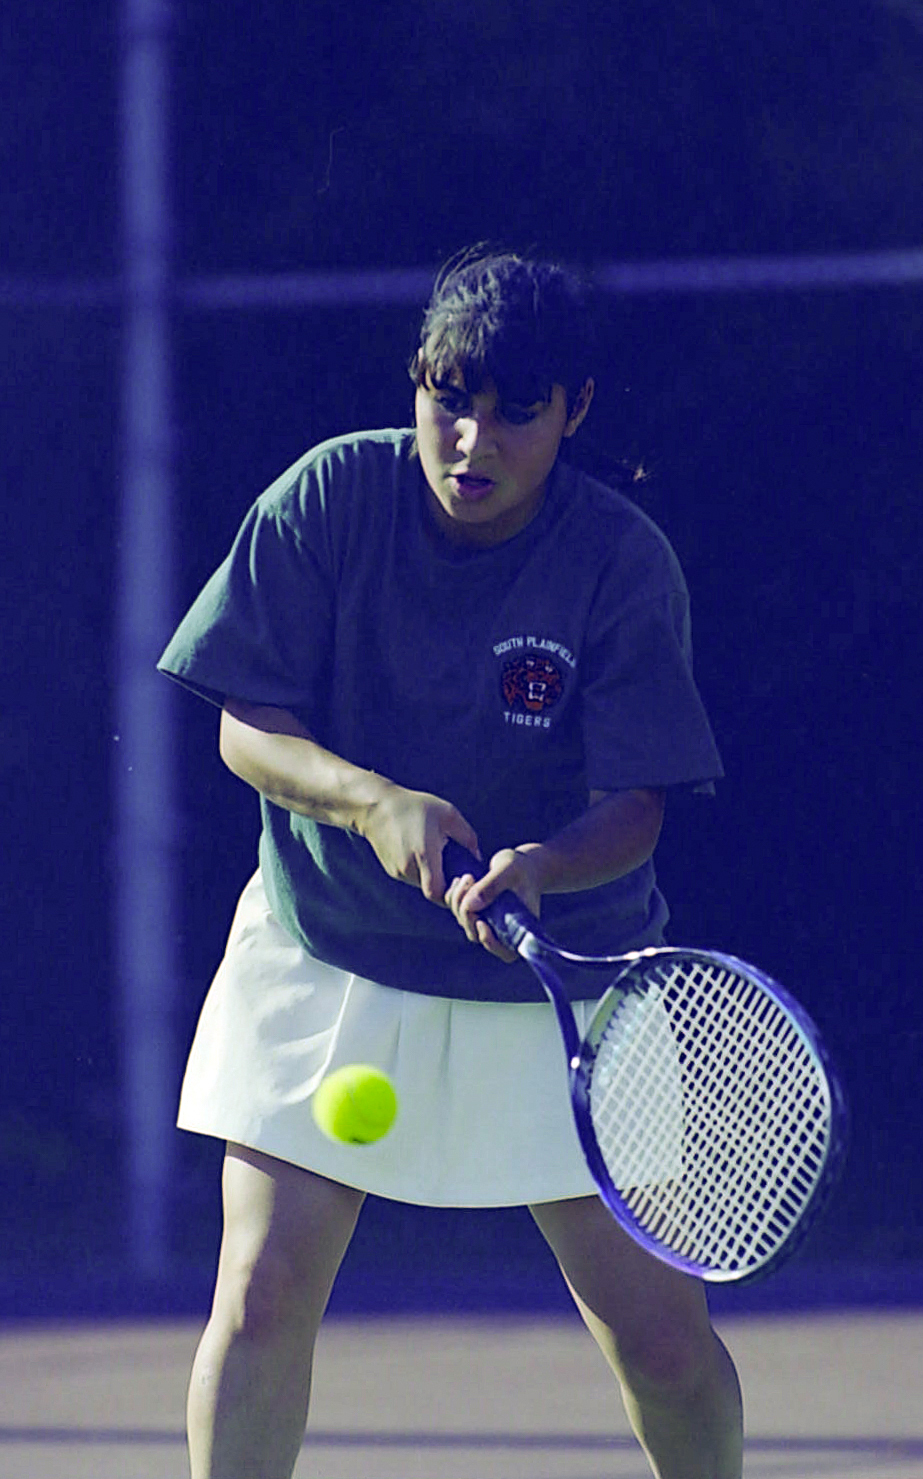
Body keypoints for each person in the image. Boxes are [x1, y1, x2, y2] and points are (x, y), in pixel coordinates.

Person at [158, 246, 744, 1479]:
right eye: (449, 400)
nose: (472, 442)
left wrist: (541, 867)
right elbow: (245, 728)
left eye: (516, 411)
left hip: (565, 984)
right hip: (329, 953)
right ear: (418, 381)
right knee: (258, 1301)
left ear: (575, 409)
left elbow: (636, 806)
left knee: (664, 1347)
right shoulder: (328, 498)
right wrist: (372, 803)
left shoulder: (620, 561)